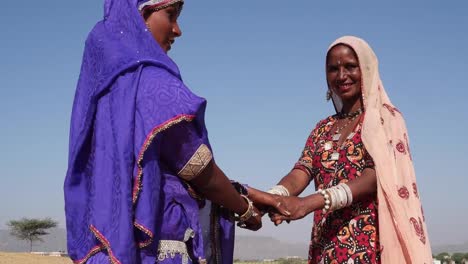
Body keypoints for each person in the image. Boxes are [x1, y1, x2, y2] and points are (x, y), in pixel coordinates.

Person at [63, 0, 279, 263]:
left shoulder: (107, 85)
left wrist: (259, 195)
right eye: (170, 15)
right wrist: (244, 210)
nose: (177, 30)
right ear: (139, 16)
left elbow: (170, 169)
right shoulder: (151, 82)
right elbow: (197, 168)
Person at [250, 36, 432, 263]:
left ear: (366, 69)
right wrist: (272, 198)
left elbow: (375, 176)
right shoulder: (322, 128)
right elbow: (302, 171)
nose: (342, 75)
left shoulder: (386, 119)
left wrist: (308, 204)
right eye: (333, 69)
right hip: (325, 246)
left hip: (368, 248)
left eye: (350, 67)